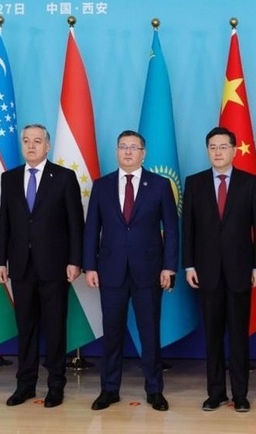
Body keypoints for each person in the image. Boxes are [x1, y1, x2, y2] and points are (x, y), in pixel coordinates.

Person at [83, 130, 178, 412]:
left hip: (149, 270)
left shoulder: (159, 185)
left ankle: (155, 390)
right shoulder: (102, 186)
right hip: (110, 271)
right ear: (116, 151)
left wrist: (169, 266)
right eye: (122, 146)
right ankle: (109, 389)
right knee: (112, 333)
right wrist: (90, 265)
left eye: (133, 147)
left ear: (143, 153)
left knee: (150, 333)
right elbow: (92, 229)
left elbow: (172, 229)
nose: (127, 152)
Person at [0, 123, 84, 408]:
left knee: (55, 328)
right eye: (26, 141)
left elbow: (75, 224)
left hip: (55, 266)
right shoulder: (9, 178)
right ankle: (25, 385)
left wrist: (75, 260)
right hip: (21, 266)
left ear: (48, 146)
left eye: (37, 141)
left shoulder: (64, 177)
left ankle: (56, 386)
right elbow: (4, 222)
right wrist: (0, 260)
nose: (31, 146)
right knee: (26, 327)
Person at [182, 126, 256, 413]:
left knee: (239, 336)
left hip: (240, 270)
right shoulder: (194, 183)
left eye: (223, 147)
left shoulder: (250, 183)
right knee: (213, 336)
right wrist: (189, 265)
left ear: (233, 150)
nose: (217, 152)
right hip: (206, 272)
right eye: (213, 147)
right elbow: (188, 228)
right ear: (208, 151)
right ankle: (215, 392)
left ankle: (240, 394)